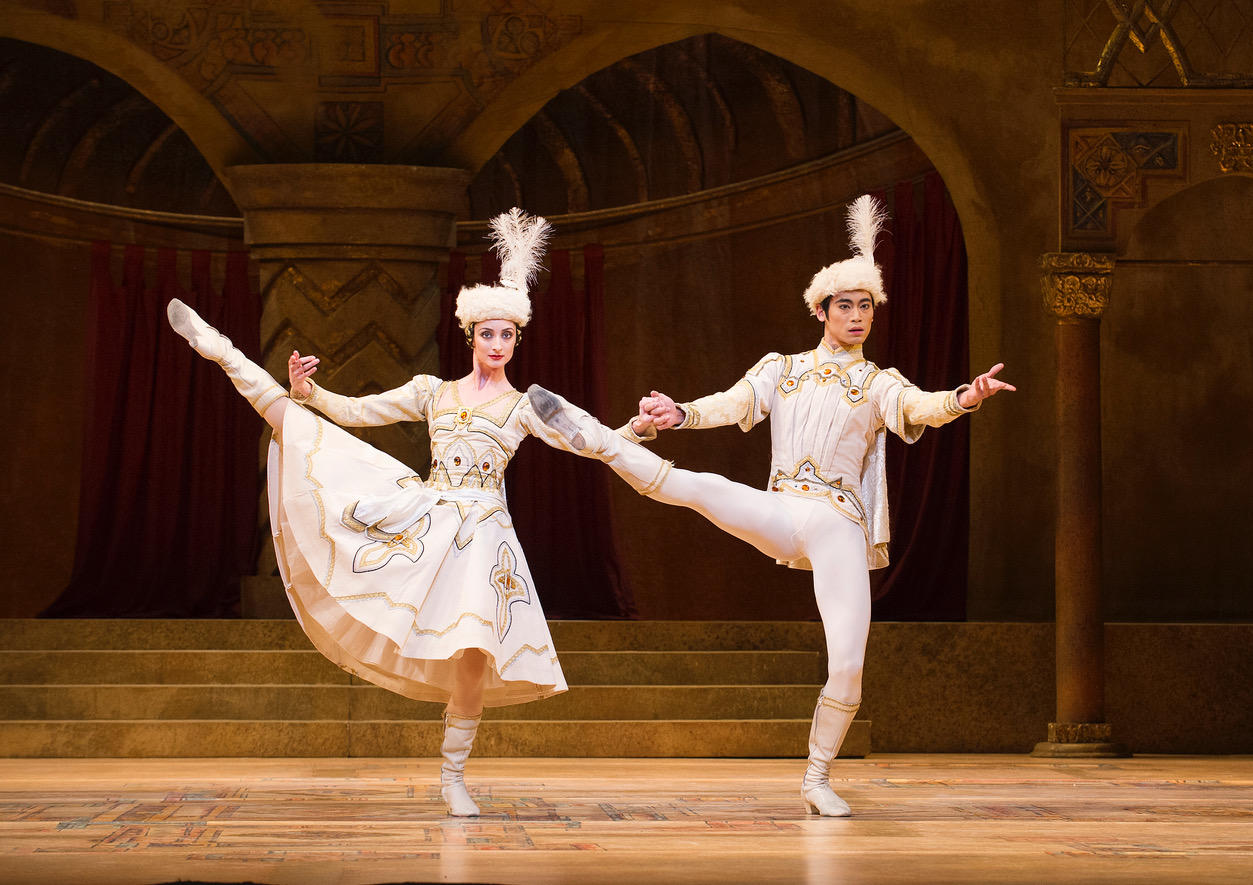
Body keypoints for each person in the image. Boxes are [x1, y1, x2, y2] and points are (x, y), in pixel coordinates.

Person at [524, 194, 1014, 817]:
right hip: (783, 510)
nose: (858, 316)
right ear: (821, 311)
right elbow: (730, 406)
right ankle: (594, 435)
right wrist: (678, 415)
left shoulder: (880, 382)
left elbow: (921, 408)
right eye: (846, 306)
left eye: (866, 306)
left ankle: (817, 777)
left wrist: (964, 398)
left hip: (839, 525)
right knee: (699, 487)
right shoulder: (781, 369)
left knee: (849, 662)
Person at [167, 209, 635, 817]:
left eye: (507, 336)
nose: (497, 344)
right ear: (471, 337)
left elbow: (595, 438)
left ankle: (453, 775)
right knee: (306, 430)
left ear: (517, 340)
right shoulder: (431, 392)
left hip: (485, 539)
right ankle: (225, 353)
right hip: (430, 514)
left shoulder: (526, 406)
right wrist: (310, 392)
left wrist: (637, 431)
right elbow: (357, 412)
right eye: (487, 334)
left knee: (473, 654)